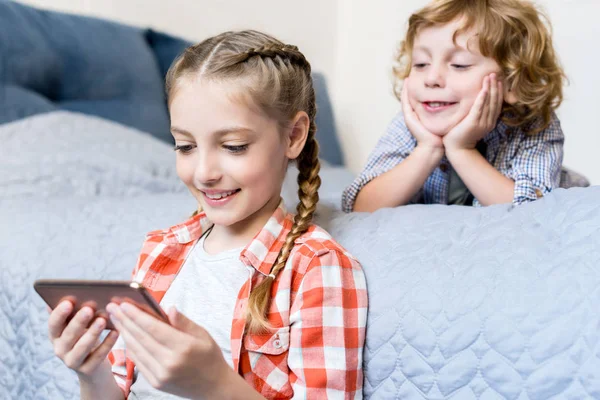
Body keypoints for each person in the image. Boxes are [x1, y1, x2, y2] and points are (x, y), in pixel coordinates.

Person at [47, 30, 368, 399]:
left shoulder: (315, 267)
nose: (203, 172)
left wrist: (215, 383)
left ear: (293, 136)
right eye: (185, 146)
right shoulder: (160, 251)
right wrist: (90, 373)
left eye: (233, 147)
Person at [343, 0, 566, 212]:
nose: (431, 78)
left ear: (512, 81)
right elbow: (360, 207)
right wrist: (427, 149)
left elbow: (534, 212)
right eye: (421, 63)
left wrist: (462, 150)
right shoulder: (412, 123)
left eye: (459, 65)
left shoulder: (534, 125)